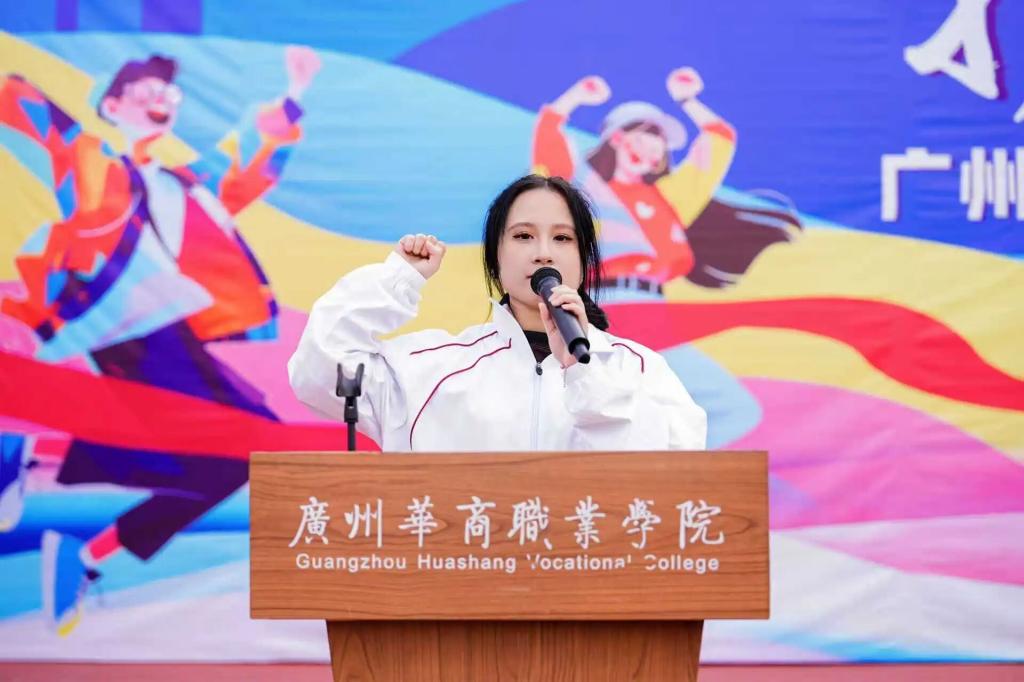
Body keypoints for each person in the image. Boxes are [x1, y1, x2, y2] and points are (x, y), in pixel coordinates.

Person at [0, 46, 321, 634]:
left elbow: (246, 164)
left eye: (167, 94)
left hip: (168, 326)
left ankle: (83, 547)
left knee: (232, 462)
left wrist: (293, 97)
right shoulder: (93, 159)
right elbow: (36, 116)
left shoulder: (183, 184)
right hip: (121, 325)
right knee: (253, 441)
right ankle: (26, 459)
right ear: (113, 106)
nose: (160, 101)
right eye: (146, 92)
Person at [288, 174, 706, 452]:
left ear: (584, 262)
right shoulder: (429, 370)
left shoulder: (639, 370)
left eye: (562, 238)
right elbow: (320, 370)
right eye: (523, 236)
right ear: (495, 259)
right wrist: (398, 280)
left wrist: (586, 371)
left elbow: (667, 483)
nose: (543, 252)